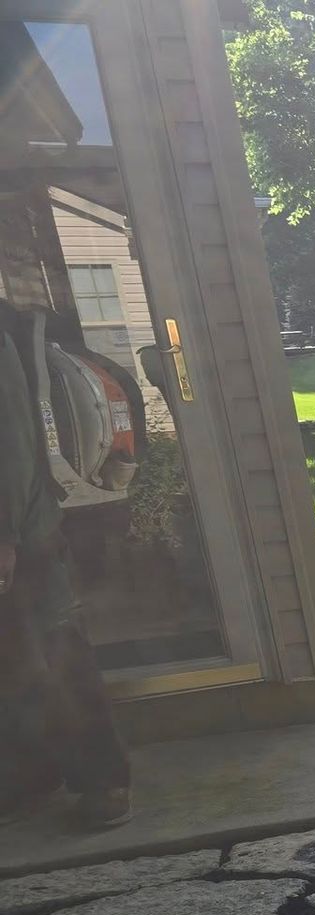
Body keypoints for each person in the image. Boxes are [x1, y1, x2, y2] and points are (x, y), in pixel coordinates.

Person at [0, 327, 132, 829]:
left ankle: (105, 780)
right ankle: (31, 775)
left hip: (21, 535)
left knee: (58, 655)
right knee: (11, 661)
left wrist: (4, 535)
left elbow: (9, 442)